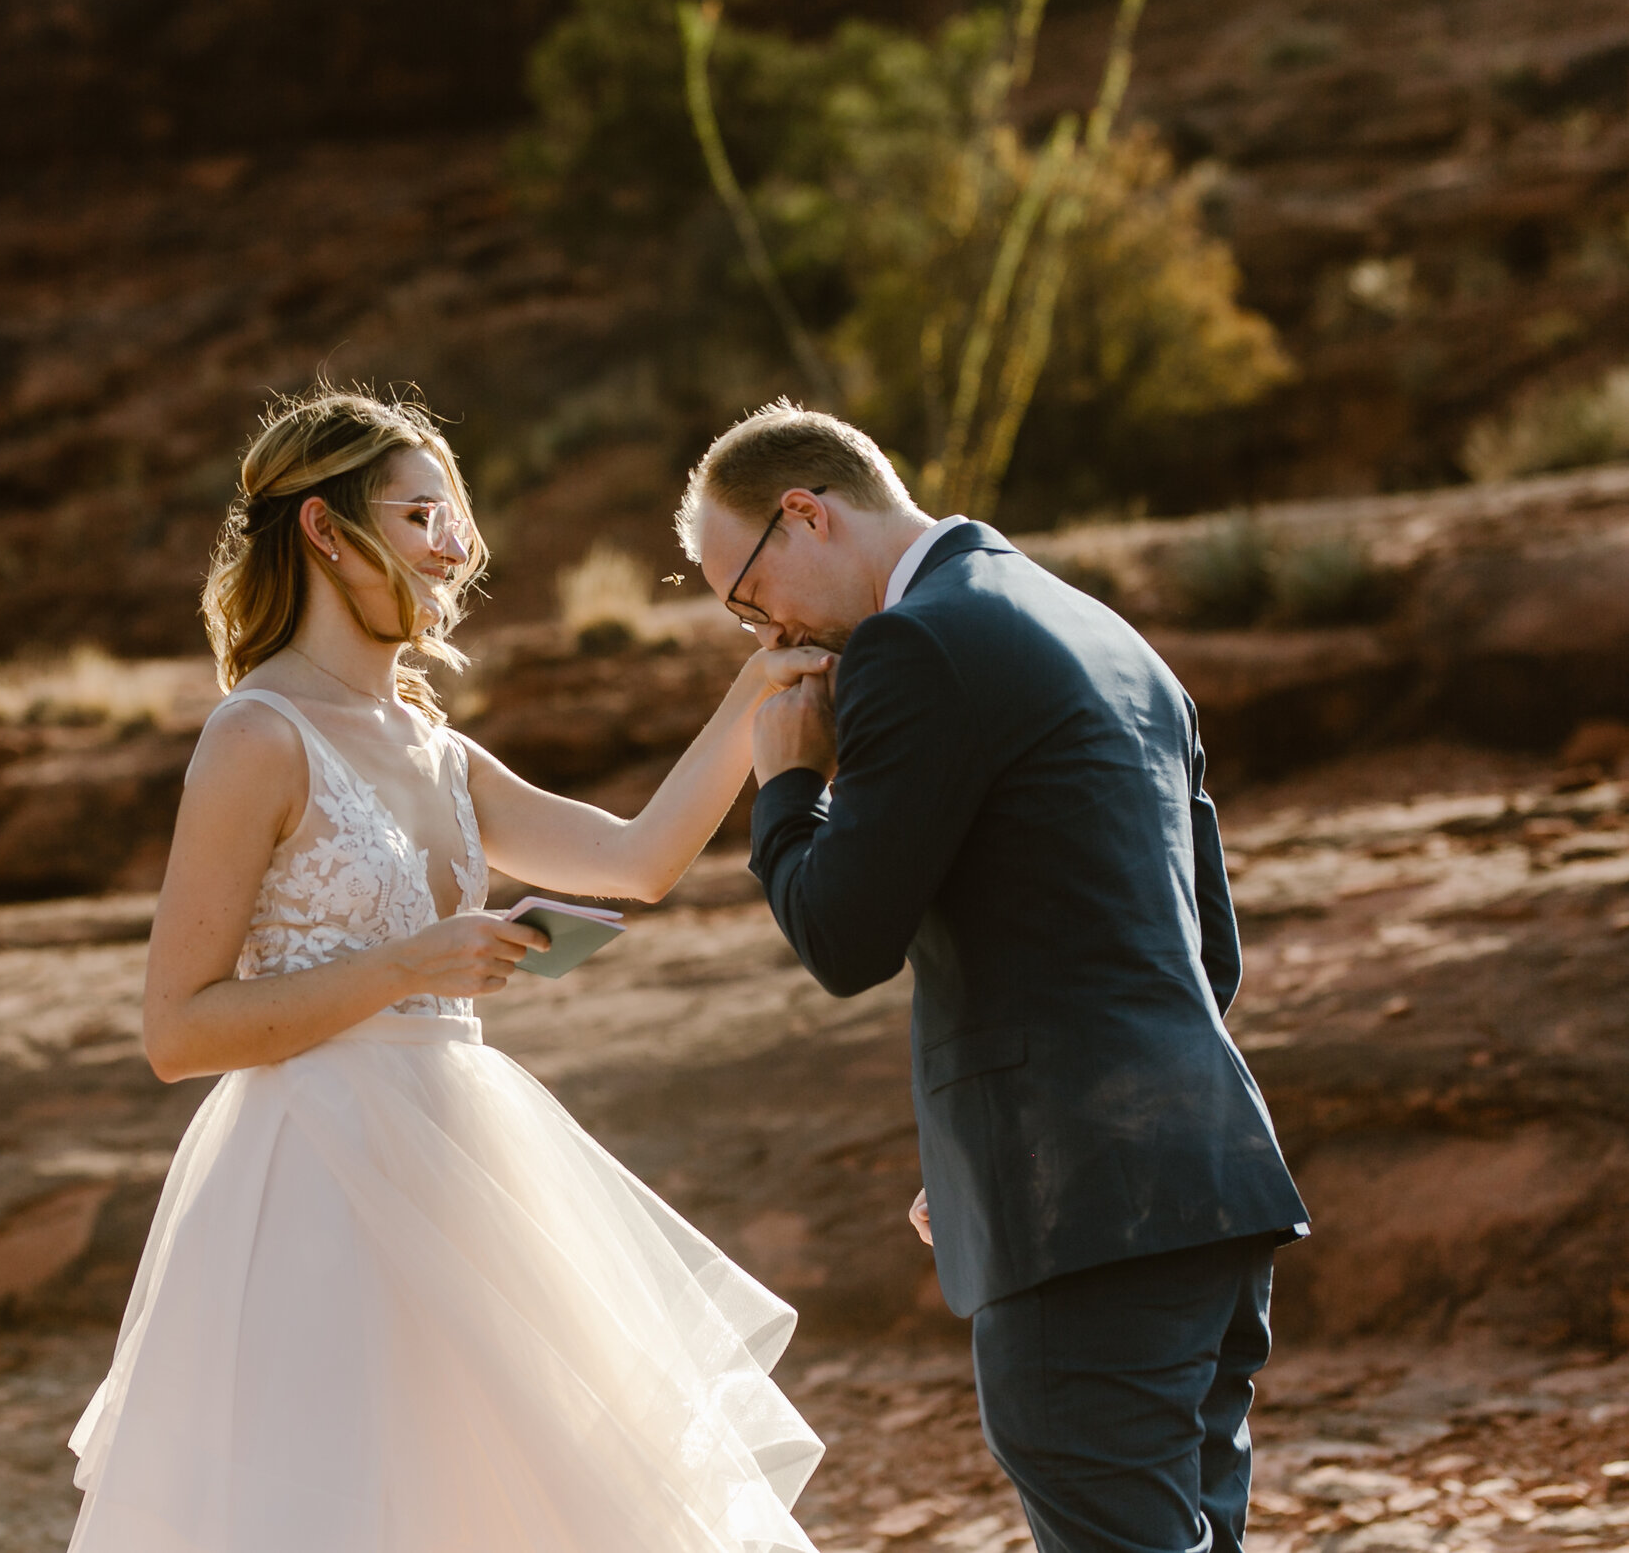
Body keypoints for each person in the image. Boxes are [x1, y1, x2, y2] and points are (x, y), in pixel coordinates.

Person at [65, 385, 824, 1553]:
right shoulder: (256, 736)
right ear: (324, 530)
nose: (455, 547)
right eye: (422, 515)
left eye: (452, 516)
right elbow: (179, 1028)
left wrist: (756, 687)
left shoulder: (437, 743)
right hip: (311, 1183)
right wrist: (410, 961)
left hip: (465, 1159)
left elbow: (636, 859)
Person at [678, 400, 1309, 1553]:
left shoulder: (914, 643)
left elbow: (843, 935)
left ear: (804, 512)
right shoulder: (1111, 634)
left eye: (748, 597)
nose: (764, 637)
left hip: (1078, 1212)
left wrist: (784, 784)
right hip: (1212, 1182)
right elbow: (1203, 949)